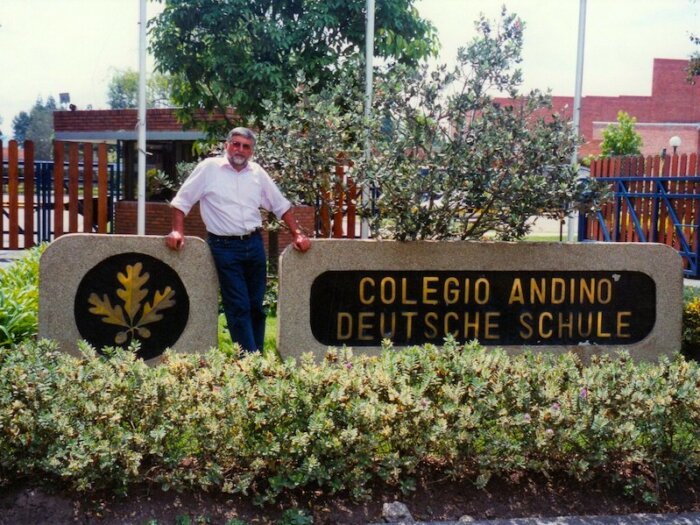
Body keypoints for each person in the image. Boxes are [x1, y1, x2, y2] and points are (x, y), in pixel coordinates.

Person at [165, 127, 311, 353]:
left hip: (253, 244)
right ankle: (250, 362)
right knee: (239, 306)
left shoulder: (257, 172)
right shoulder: (208, 169)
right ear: (227, 145)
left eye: (246, 146)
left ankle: (257, 357)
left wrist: (297, 233)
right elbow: (181, 202)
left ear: (252, 151)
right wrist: (177, 231)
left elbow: (280, 205)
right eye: (236, 144)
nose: (240, 149)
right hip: (224, 247)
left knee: (256, 307)